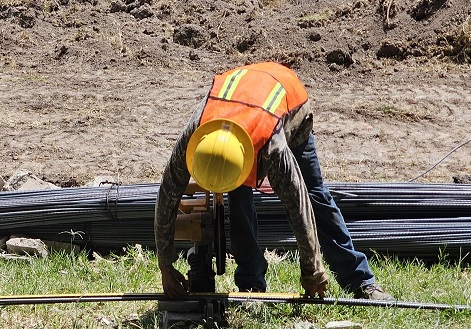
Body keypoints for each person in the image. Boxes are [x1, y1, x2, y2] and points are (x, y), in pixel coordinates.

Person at [154, 61, 393, 301]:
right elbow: (167, 197)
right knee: (239, 204)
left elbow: (299, 208)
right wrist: (165, 265)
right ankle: (251, 285)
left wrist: (312, 270)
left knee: (315, 196)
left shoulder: (272, 149)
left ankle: (360, 279)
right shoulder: (195, 134)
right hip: (244, 94)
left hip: (290, 101)